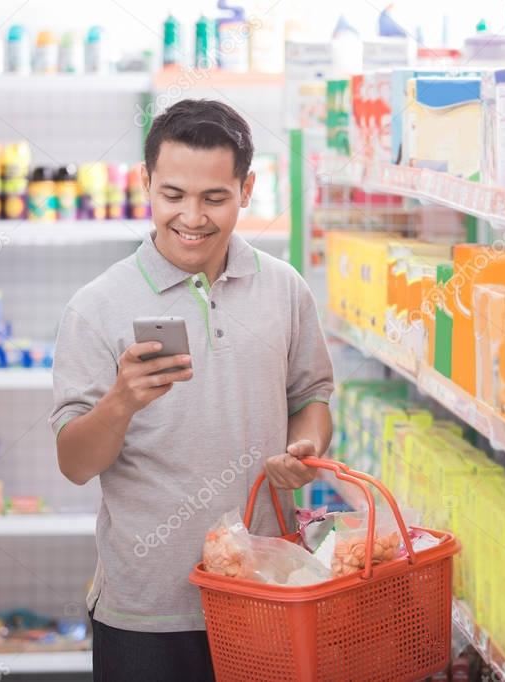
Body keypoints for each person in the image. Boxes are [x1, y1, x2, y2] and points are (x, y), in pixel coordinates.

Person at [49, 99, 334, 682]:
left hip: (266, 589)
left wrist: (305, 449)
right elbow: (75, 464)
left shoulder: (284, 289)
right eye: (173, 195)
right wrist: (121, 401)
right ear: (146, 183)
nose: (192, 218)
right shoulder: (96, 307)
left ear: (247, 189)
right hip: (146, 611)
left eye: (214, 198)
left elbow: (311, 397)